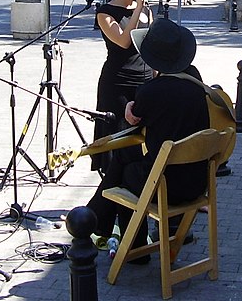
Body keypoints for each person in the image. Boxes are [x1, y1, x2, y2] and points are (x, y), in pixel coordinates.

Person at [87, 19, 209, 258]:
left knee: (125, 172)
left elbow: (135, 121)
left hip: (167, 185)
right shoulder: (196, 81)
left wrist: (131, 106)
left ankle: (134, 248)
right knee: (126, 156)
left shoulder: (151, 91)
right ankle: (98, 218)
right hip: (197, 180)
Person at [93, 0, 154, 172]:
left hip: (144, 79)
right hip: (118, 82)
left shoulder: (147, 10)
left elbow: (150, 45)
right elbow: (124, 42)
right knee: (117, 140)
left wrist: (157, 76)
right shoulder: (105, 12)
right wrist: (137, 9)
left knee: (142, 138)